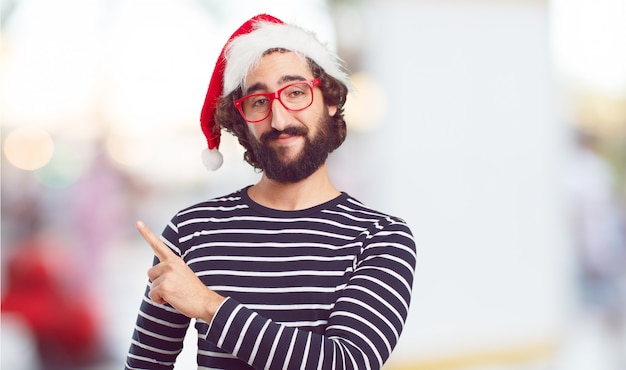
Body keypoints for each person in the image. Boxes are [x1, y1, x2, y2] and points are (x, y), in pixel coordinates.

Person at [125, 14, 416, 369]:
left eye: (295, 92)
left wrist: (208, 305)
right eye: (258, 101)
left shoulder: (381, 239)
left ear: (328, 99)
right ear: (241, 120)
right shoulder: (192, 231)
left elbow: (347, 363)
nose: (278, 120)